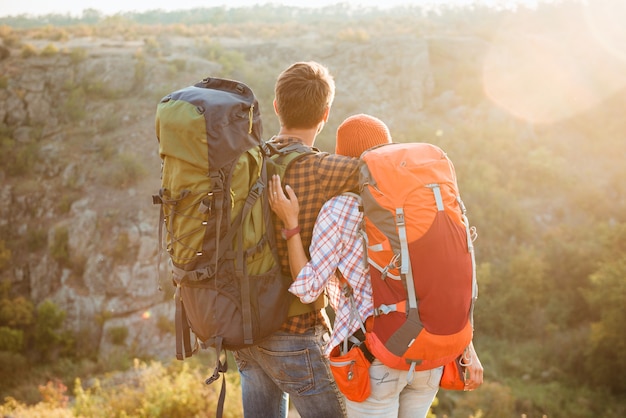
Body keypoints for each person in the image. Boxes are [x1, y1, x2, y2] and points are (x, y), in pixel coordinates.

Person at [269, 114, 484, 418]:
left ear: (343, 159)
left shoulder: (340, 209)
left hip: (376, 355)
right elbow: (451, 275)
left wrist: (291, 226)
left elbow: (307, 288)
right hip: (431, 353)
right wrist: (467, 347)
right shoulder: (419, 205)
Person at [233, 61, 362, 418]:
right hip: (296, 334)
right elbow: (382, 172)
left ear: (276, 107)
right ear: (325, 113)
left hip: (246, 331)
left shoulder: (246, 162)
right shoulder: (324, 170)